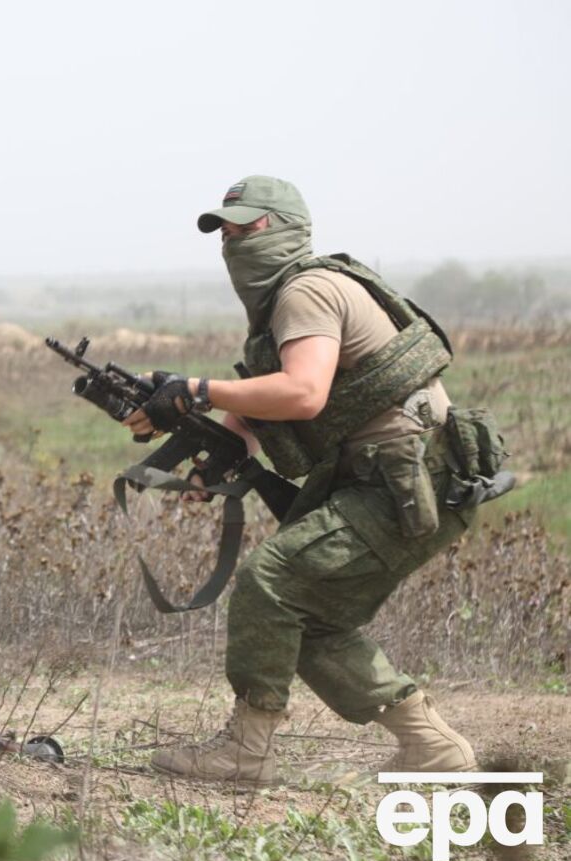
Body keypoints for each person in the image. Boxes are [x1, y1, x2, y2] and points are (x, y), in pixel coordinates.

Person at [125, 176, 506, 785]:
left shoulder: (306, 290)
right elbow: (258, 402)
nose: (232, 240)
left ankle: (246, 751)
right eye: (224, 230)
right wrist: (217, 454)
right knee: (311, 617)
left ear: (287, 228)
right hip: (400, 478)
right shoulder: (291, 300)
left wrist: (192, 390)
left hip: (407, 481)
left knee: (270, 582)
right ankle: (430, 746)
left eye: (247, 227)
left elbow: (303, 393)